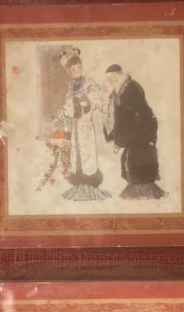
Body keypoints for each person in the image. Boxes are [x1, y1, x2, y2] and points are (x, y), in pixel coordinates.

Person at [103, 64, 167, 200]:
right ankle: (141, 194)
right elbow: (118, 118)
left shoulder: (131, 88)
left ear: (118, 76)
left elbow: (137, 116)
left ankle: (144, 195)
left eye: (110, 78)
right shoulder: (117, 92)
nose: (108, 81)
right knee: (129, 163)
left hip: (143, 131)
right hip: (133, 133)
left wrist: (122, 138)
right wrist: (115, 136)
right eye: (107, 79)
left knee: (136, 163)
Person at [57, 49, 110, 201]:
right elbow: (68, 103)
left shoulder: (88, 82)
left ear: (81, 68)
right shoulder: (71, 86)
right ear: (70, 72)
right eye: (73, 69)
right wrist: (63, 112)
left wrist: (87, 101)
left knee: (87, 151)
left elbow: (98, 97)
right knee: (76, 152)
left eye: (78, 68)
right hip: (74, 125)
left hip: (85, 123)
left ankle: (89, 184)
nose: (77, 71)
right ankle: (79, 182)